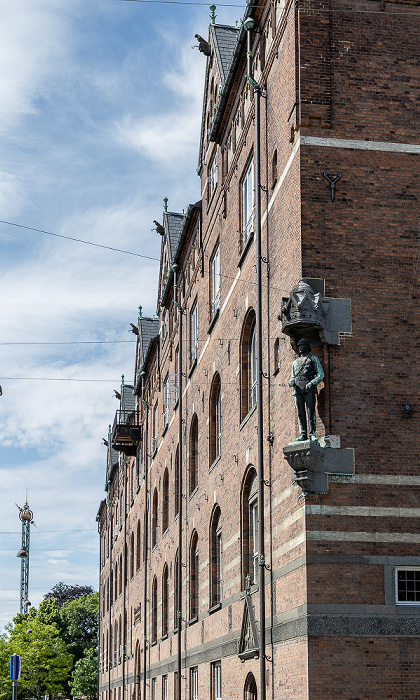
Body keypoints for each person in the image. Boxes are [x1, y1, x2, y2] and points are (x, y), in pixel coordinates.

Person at [289, 338, 324, 442]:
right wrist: (291, 382)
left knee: (310, 412)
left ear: (307, 347)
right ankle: (303, 434)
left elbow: (320, 374)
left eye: (302, 345)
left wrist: (312, 383)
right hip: (297, 389)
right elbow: (292, 376)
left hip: (309, 388)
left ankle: (311, 433)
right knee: (300, 413)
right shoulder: (295, 362)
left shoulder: (313, 359)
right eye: (299, 346)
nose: (300, 347)